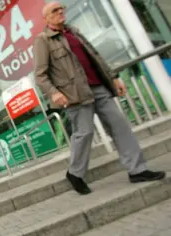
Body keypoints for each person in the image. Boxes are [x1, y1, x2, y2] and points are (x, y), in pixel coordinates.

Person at [33, 1, 166, 195]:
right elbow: (40, 74)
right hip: (74, 94)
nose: (61, 11)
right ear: (46, 18)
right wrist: (54, 92)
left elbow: (96, 56)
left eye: (62, 8)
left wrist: (113, 78)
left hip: (98, 87)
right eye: (55, 10)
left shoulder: (74, 32)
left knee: (120, 126)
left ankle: (138, 170)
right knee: (84, 133)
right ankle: (75, 173)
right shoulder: (43, 40)